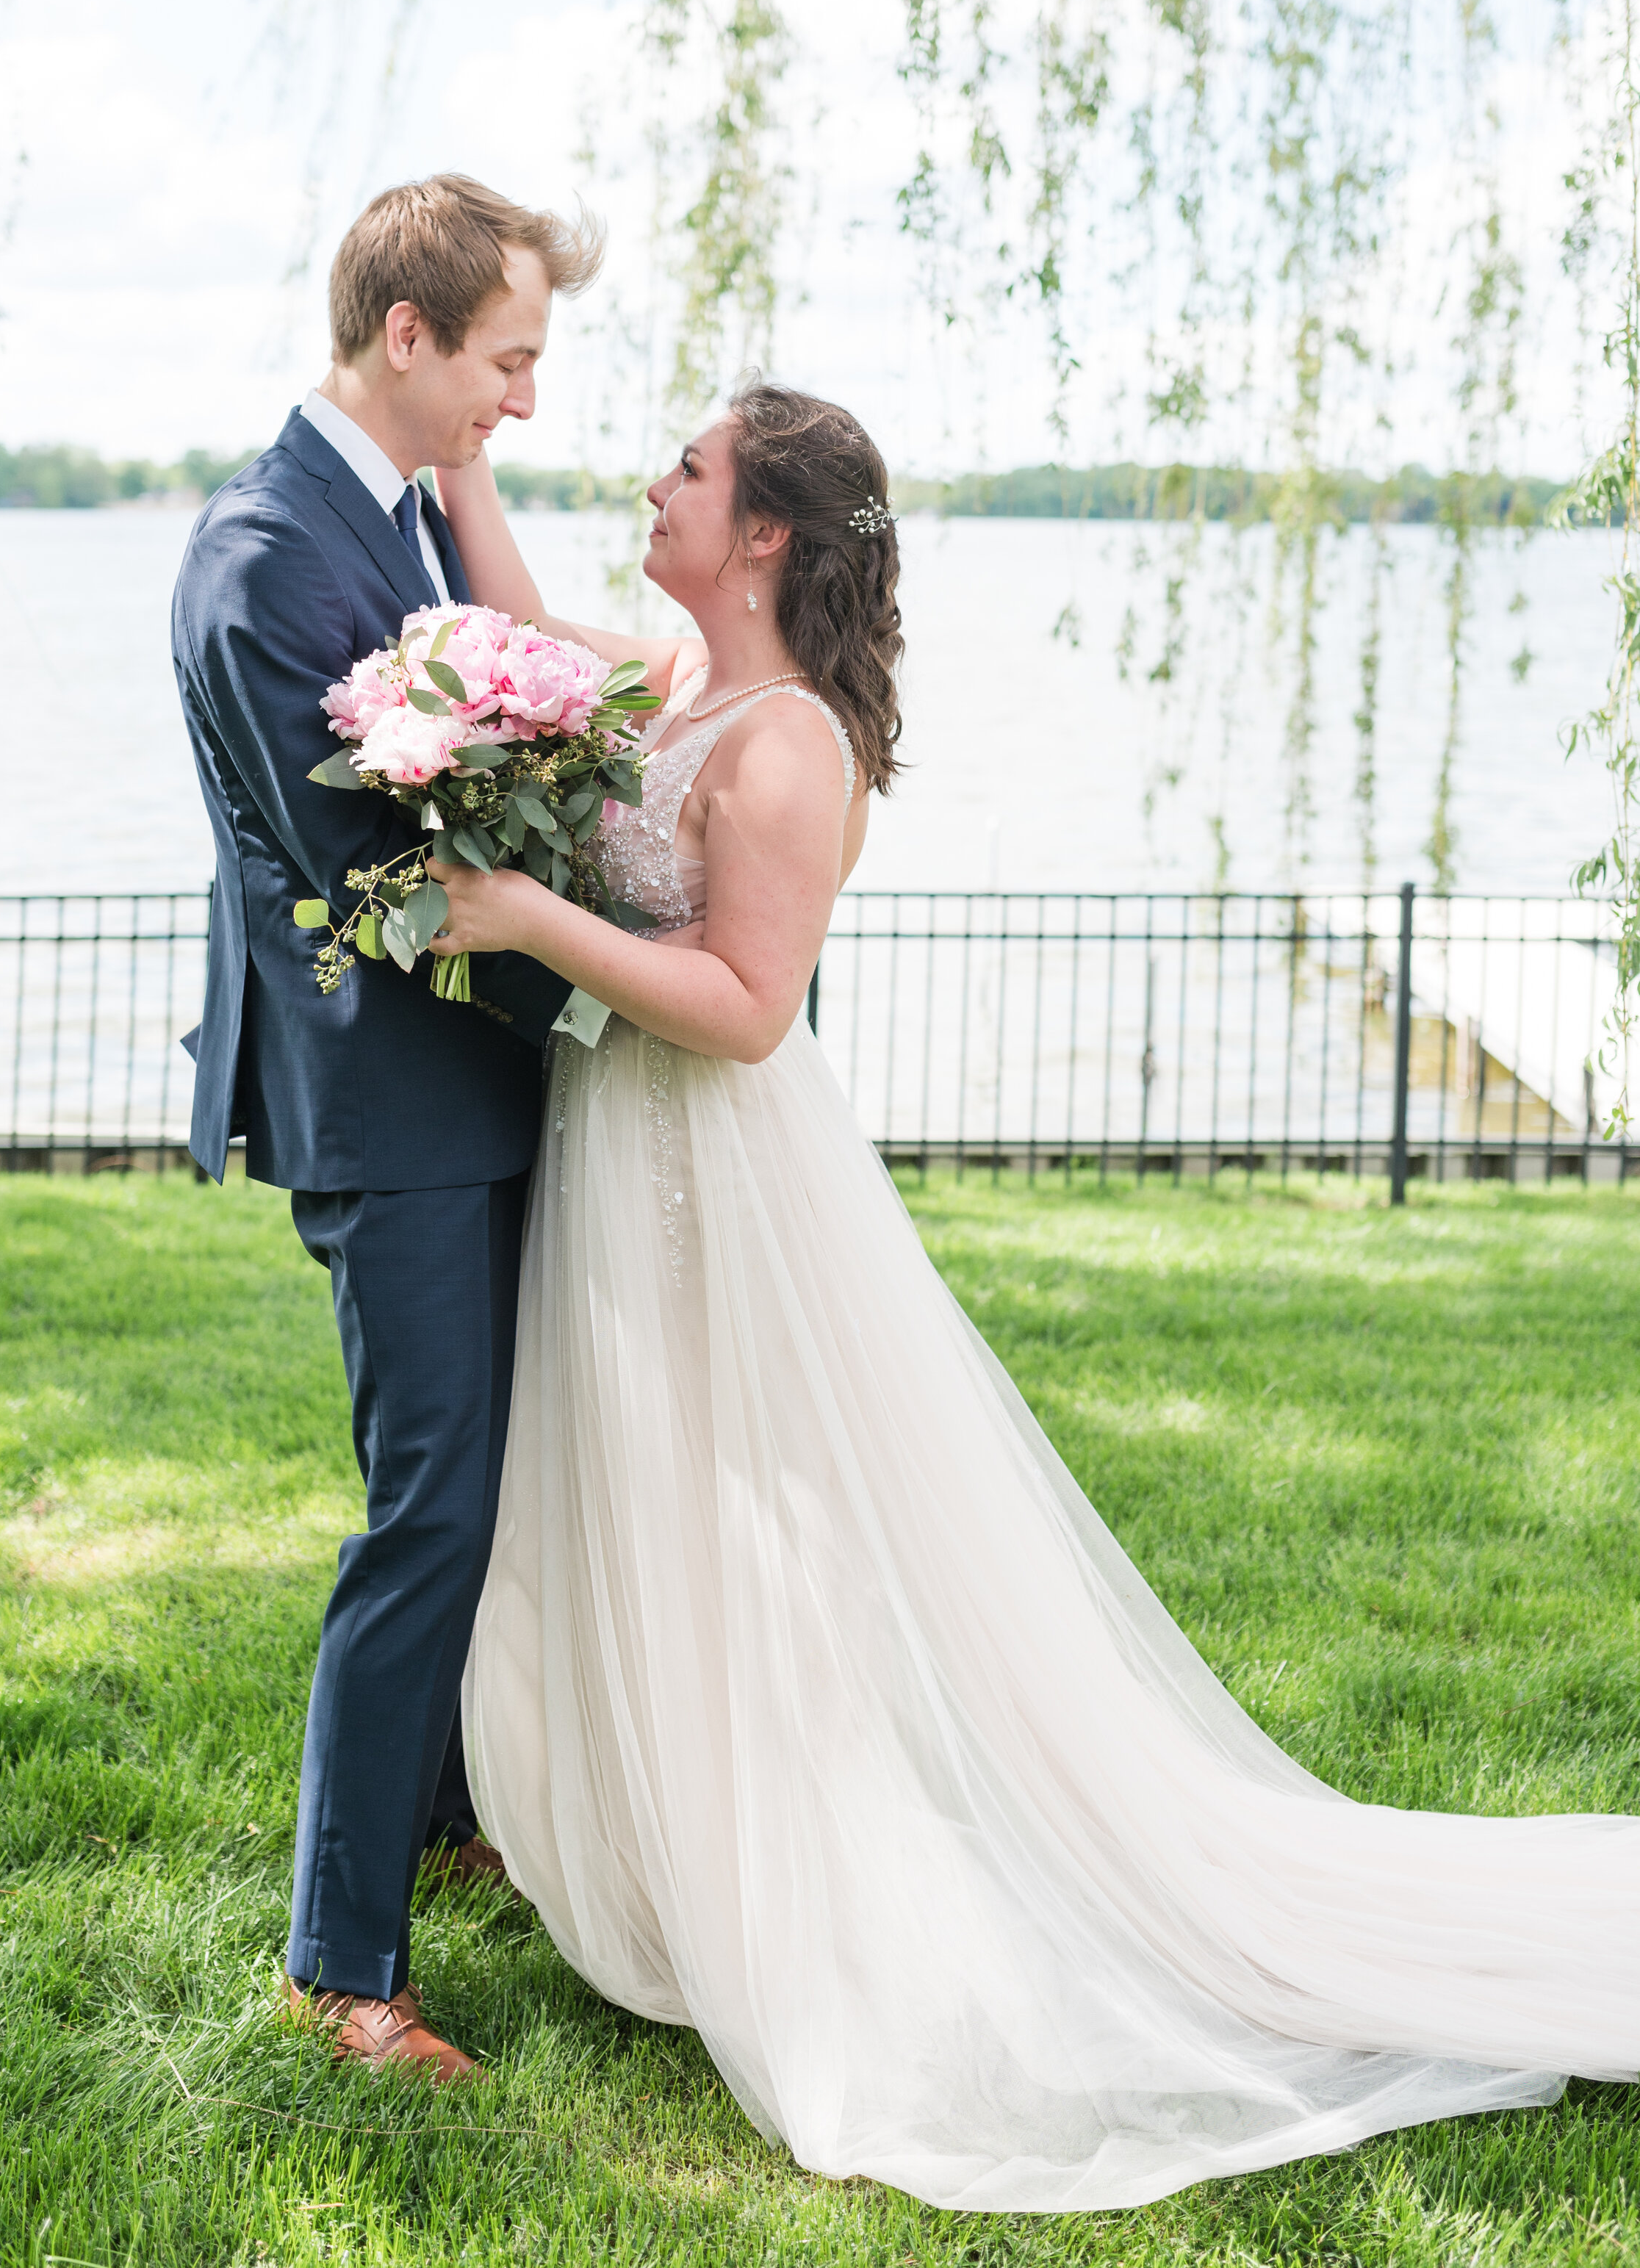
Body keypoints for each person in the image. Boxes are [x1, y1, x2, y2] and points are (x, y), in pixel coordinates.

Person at [423, 375, 1640, 2213]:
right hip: (624, 1168)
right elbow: (516, 632)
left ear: (759, 532)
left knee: (768, 1536)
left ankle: (801, 1884)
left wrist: (529, 923)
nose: (653, 486)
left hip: (720, 1180)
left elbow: (749, 1010)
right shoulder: (676, 692)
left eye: (686, 469)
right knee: (661, 1510)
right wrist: (458, 468)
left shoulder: (788, 747)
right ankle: (686, 1856)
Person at [170, 175, 592, 2080]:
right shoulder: (272, 557)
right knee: (423, 1510)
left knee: (476, 1486)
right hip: (392, 1108)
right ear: (404, 335)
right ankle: (343, 1966)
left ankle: (437, 1815)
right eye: (506, 356)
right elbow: (378, 881)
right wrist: (629, 978)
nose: (520, 395)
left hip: (468, 1093)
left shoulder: (393, 528)